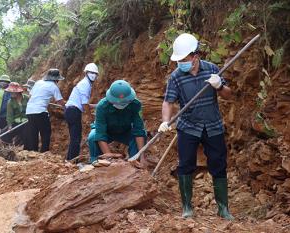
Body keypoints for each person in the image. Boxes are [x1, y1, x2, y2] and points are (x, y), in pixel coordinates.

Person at [158, 33, 234, 220]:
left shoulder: (212, 69)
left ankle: (223, 209)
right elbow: (168, 102)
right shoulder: (176, 77)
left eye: (184, 59)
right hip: (188, 127)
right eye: (179, 60)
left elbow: (228, 94)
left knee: (218, 164)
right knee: (185, 165)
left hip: (213, 125)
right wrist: (165, 121)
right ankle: (187, 208)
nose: (181, 63)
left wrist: (219, 86)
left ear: (195, 56)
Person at [87, 80, 147, 166]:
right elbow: (100, 133)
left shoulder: (135, 105)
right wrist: (109, 157)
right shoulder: (102, 107)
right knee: (92, 137)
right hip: (107, 132)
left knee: (142, 134)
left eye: (124, 102)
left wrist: (142, 157)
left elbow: (139, 130)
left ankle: (134, 161)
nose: (121, 105)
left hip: (125, 132)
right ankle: (96, 161)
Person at [64, 63, 99, 161]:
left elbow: (85, 104)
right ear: (86, 73)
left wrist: (97, 105)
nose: (93, 75)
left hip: (70, 110)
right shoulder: (85, 85)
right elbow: (84, 104)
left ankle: (70, 160)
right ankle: (73, 161)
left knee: (74, 138)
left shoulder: (85, 84)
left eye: (95, 73)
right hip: (73, 111)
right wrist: (91, 119)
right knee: (76, 139)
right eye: (91, 72)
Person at [25, 69, 65, 152]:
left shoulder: (38, 82)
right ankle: (44, 153)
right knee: (46, 133)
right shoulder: (54, 86)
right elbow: (60, 101)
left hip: (29, 110)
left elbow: (30, 95)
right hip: (40, 111)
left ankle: (33, 153)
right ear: (56, 79)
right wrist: (68, 106)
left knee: (34, 133)